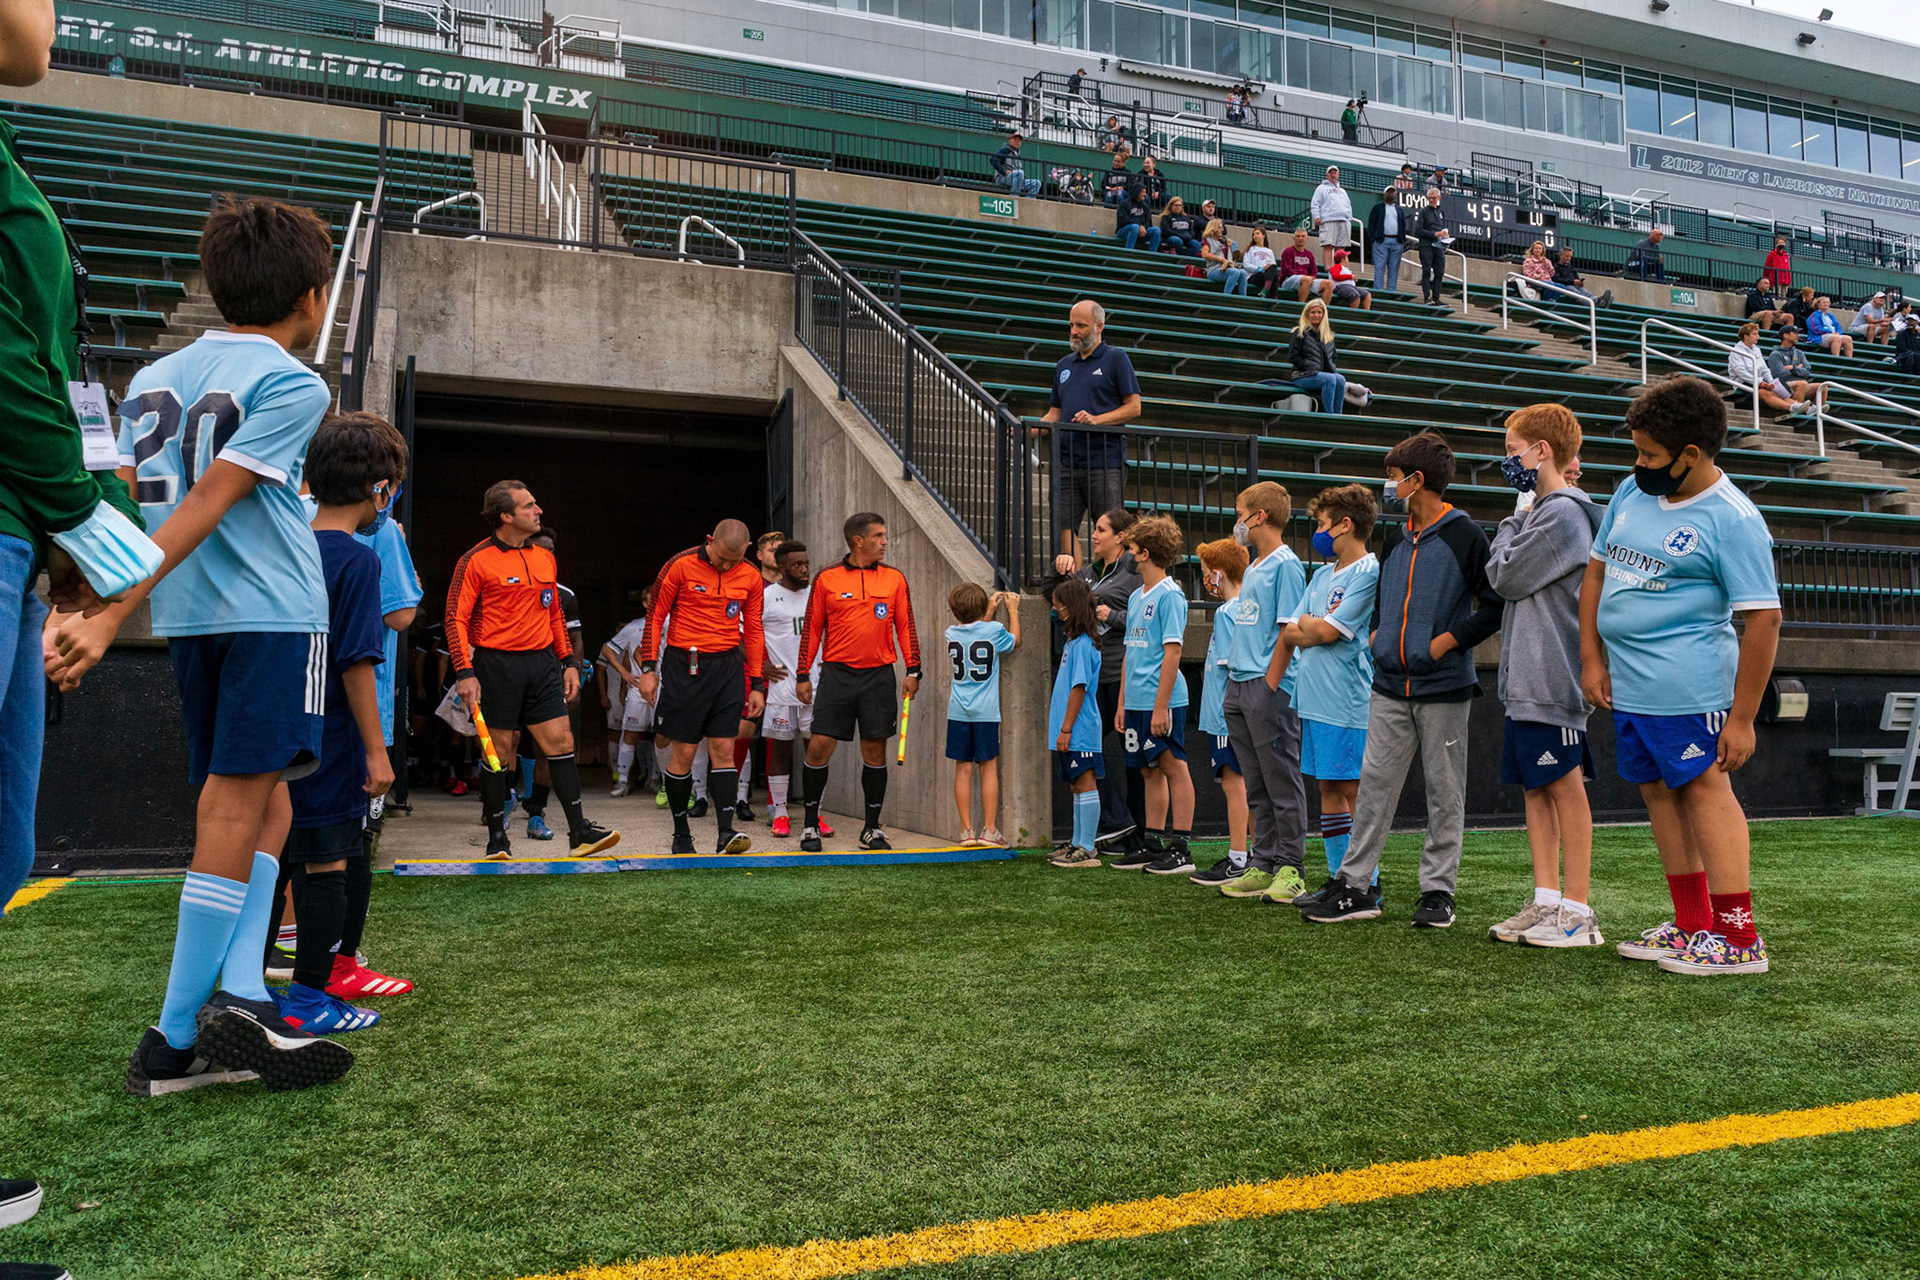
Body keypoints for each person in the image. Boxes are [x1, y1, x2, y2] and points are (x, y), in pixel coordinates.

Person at [49, 196, 355, 1095]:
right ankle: (176, 1039)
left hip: (194, 619)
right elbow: (211, 500)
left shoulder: (153, 376)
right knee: (233, 808)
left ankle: (241, 990)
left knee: (267, 799)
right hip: (273, 614)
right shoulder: (296, 383)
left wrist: (87, 595)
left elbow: (125, 499)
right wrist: (108, 616)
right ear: (311, 295)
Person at [1580, 376, 1782, 975]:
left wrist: (1742, 719)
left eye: (1649, 455)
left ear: (1690, 454)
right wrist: (1592, 657)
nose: (1637, 464)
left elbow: (1764, 619)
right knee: (1658, 793)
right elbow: (1596, 573)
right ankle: (1694, 926)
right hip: (1631, 685)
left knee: (1702, 790)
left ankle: (1739, 938)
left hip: (1691, 688)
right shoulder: (1631, 491)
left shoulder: (1734, 519)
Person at [1302, 433, 1504, 929]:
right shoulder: (1396, 538)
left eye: (1393, 476)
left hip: (1444, 687)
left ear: (1417, 480)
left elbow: (1494, 605)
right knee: (1373, 787)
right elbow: (1382, 602)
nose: (1388, 486)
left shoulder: (1465, 535)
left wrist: (1444, 643)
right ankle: (1355, 886)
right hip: (1390, 684)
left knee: (1444, 791)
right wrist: (1377, 634)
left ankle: (1438, 893)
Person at [272, 413, 403, 1035]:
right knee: (328, 862)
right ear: (380, 489)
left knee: (274, 860)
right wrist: (377, 751)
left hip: (272, 731)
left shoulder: (281, 546)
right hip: (329, 737)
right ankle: (307, 1001)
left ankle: (252, 986)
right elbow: (356, 660)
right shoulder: (357, 560)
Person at [1485, 405, 1605, 948]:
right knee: (1536, 788)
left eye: (1514, 451)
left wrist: (1515, 517)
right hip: (1529, 679)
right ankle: (1547, 899)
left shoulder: (1560, 515)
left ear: (1543, 451)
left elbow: (1504, 574)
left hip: (1552, 675)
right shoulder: (1544, 512)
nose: (1509, 461)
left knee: (1564, 786)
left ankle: (1577, 911)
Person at [446, 483, 617, 862]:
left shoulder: (544, 558)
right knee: (499, 751)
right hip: (496, 665)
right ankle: (497, 839)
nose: (538, 510)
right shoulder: (474, 560)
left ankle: (579, 833)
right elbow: (455, 618)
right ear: (506, 516)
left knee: (561, 741)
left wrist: (568, 662)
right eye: (529, 506)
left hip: (541, 665)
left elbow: (554, 613)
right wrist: (464, 671)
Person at [794, 512, 922, 852]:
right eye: (878, 536)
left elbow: (905, 626)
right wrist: (803, 674)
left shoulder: (894, 578)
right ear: (858, 541)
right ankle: (809, 826)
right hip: (836, 675)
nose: (885, 542)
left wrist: (913, 670)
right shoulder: (827, 578)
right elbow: (812, 629)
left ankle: (871, 828)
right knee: (819, 746)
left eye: (884, 536)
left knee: (875, 750)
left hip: (878, 677)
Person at [638, 520, 765, 856]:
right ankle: (681, 834)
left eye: (733, 561)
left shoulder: (751, 576)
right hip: (685, 665)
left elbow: (754, 629)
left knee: (724, 747)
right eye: (721, 558)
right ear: (709, 540)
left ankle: (726, 833)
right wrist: (648, 668)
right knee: (684, 751)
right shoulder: (679, 565)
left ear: (747, 551)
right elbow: (655, 617)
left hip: (727, 667)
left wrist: (756, 683)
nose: (726, 566)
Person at [1281, 485, 1380, 904]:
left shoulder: (1368, 572)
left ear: (1345, 525)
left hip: (1346, 700)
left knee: (1352, 790)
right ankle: (1341, 876)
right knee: (1327, 787)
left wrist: (1312, 623)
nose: (1318, 532)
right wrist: (1314, 625)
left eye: (1322, 524)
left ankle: (1366, 882)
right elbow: (1290, 632)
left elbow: (1322, 631)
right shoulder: (1322, 575)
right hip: (1314, 699)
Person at [1216, 482, 1310, 904]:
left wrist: (1270, 685)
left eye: (1241, 514)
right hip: (1239, 685)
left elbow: (1288, 631)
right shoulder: (1255, 565)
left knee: (1281, 779)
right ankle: (1264, 861)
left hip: (1266, 687)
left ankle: (1291, 866)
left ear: (1261, 516)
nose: (1237, 523)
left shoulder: (1286, 565)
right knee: (1256, 782)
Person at [1107, 514, 1195, 874]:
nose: (1128, 554)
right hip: (1137, 700)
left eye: (1130, 548)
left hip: (1163, 700)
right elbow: (1131, 652)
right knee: (1147, 770)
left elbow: (1173, 652)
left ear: (1144, 553)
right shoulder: (1135, 596)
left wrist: (1161, 707)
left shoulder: (1170, 595)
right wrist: (1122, 702)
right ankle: (1152, 842)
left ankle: (1181, 848)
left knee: (1173, 765)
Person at [1041, 300, 1141, 568]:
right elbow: (1054, 413)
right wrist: (1027, 430)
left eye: (1081, 326)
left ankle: (1102, 584)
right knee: (1064, 527)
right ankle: (1073, 582)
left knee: (1107, 532)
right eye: (1071, 325)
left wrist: (1097, 420)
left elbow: (1134, 407)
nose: (1074, 331)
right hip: (1067, 461)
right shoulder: (1064, 365)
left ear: (1099, 326)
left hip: (1105, 461)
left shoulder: (1116, 358)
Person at [1070, 508, 1145, 853]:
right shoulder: (1087, 573)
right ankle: (1114, 824)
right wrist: (1059, 571)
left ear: (1120, 537)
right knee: (1083, 746)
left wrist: (1110, 614)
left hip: (1121, 674)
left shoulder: (1134, 574)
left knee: (1134, 758)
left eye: (1101, 530)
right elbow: (1060, 603)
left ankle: (1139, 837)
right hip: (1092, 675)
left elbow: (1144, 620)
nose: (1094, 535)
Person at [513, 527, 582, 841]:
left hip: (548, 678)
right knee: (507, 743)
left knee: (548, 747)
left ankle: (536, 812)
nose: (547, 555)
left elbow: (575, 639)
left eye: (552, 550)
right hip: (510, 676)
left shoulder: (564, 595)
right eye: (542, 549)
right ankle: (500, 803)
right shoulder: (507, 584)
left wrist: (574, 671)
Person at [1189, 538, 1250, 886]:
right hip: (1229, 715)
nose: (1205, 581)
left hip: (1226, 717)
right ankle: (1253, 856)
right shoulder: (1239, 609)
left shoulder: (1229, 612)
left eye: (1205, 573)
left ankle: (1238, 856)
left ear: (1219, 573)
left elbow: (1231, 667)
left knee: (1233, 782)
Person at [760, 540, 830, 840]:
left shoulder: (817, 594)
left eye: (806, 563)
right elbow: (742, 633)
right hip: (781, 688)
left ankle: (816, 814)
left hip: (816, 686)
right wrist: (759, 665)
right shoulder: (766, 596)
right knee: (781, 750)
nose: (804, 569)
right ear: (781, 566)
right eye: (797, 565)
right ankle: (780, 813)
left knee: (817, 751)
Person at [944, 583, 1020, 847]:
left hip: (958, 711)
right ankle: (989, 829)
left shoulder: (951, 633)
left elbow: (974, 632)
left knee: (962, 768)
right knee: (988, 767)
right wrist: (1013, 610)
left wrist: (986, 612)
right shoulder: (994, 630)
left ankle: (966, 829)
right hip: (986, 712)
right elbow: (1014, 641)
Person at [1045, 579, 1105, 868]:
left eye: (1058, 606)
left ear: (1072, 607)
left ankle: (1087, 847)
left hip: (1080, 730)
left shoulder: (1083, 645)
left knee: (1085, 782)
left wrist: (1067, 728)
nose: (1056, 611)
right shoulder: (1073, 643)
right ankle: (1078, 842)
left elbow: (1079, 687)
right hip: (1072, 730)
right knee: (1075, 785)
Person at [600, 608, 653, 797]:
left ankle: (657, 779)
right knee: (629, 734)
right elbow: (617, 653)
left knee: (662, 737)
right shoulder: (634, 627)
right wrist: (625, 676)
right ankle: (622, 779)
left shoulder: (675, 622)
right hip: (637, 690)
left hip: (664, 689)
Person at [1731, 323, 1816, 418]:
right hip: (1743, 383)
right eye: (1755, 334)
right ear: (1746, 336)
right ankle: (1792, 407)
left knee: (1778, 390)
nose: (1758, 336)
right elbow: (1741, 372)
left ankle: (1806, 408)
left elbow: (1764, 369)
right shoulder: (1736, 351)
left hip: (1759, 381)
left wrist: (1771, 382)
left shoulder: (1756, 350)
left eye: (1757, 334)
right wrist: (1759, 382)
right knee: (1765, 393)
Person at [1287, 297, 1346, 414]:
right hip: (1303, 375)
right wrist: (1308, 365)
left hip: (1321, 375)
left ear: (1324, 315)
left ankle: (1338, 415)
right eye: (1313, 312)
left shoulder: (1328, 336)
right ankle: (1329, 415)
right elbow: (1293, 356)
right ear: (1307, 314)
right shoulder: (1300, 333)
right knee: (1330, 379)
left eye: (1319, 312)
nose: (1316, 315)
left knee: (1340, 379)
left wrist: (1332, 367)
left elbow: (1334, 357)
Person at [1767, 327, 1828, 409]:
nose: (1797, 335)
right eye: (1794, 333)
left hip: (1802, 383)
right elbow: (1779, 374)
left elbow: (1807, 371)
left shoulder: (1799, 353)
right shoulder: (1775, 354)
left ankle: (1817, 412)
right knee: (1802, 384)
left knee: (1823, 387)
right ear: (1786, 335)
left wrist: (1792, 368)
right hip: (1784, 385)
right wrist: (1797, 370)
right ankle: (1797, 410)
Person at [1367, 185, 1411, 295]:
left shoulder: (1399, 210)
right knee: (1379, 267)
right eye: (1388, 192)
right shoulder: (1377, 208)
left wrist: (1401, 240)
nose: (1390, 194)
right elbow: (1371, 224)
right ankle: (1378, 291)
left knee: (1394, 268)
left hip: (1396, 242)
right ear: (1384, 194)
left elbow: (1403, 225)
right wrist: (1374, 239)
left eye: (1392, 192)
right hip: (1381, 241)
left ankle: (1391, 291)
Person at [1310, 166, 1352, 269]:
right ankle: (1328, 269)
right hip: (1328, 220)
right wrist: (1316, 217)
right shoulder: (1321, 188)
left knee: (1341, 248)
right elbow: (1315, 204)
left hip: (1344, 220)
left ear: (1338, 175)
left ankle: (1339, 269)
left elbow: (1348, 205)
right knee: (1328, 245)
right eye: (1331, 173)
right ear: (1327, 175)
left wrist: (1349, 218)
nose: (1333, 175)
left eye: (1335, 173)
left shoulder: (1342, 191)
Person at [1414, 186, 1450, 306]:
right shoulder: (1423, 212)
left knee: (1439, 272)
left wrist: (1444, 235)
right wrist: (1435, 234)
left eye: (1433, 198)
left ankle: (1436, 297)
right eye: (1429, 198)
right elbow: (1418, 231)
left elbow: (1441, 228)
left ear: (1438, 198)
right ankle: (1427, 297)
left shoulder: (1440, 212)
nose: (1431, 200)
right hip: (1426, 245)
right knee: (1426, 270)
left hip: (1438, 245)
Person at [1277, 226, 1328, 304]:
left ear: (1306, 239)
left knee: (1328, 284)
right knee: (1306, 280)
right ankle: (1301, 306)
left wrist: (1311, 278)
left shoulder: (1309, 254)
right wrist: (1303, 277)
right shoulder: (1288, 251)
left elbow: (1314, 271)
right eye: (1298, 236)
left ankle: (1324, 309)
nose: (1300, 238)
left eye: (1303, 236)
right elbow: (1287, 269)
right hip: (1289, 280)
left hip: (1307, 281)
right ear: (1294, 238)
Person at [1199, 219, 1247, 295]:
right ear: (1213, 228)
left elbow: (1229, 257)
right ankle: (1226, 296)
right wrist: (1221, 259)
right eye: (1219, 228)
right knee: (1235, 272)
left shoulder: (1224, 240)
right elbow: (1204, 254)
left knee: (1243, 273)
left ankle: (1243, 298)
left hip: (1226, 268)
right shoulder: (1207, 240)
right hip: (1213, 269)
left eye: (1222, 228)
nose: (1222, 230)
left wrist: (1230, 248)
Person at [990, 131, 1041, 198]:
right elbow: (993, 160)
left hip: (1017, 179)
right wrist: (1004, 171)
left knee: (1037, 183)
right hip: (1003, 178)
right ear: (1010, 140)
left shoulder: (1018, 155)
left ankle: (1027, 201)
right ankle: (1014, 197)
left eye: (1019, 140)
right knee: (1020, 172)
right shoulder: (1005, 150)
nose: (1017, 141)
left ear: (1021, 143)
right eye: (1015, 139)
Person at [1241, 227, 1280, 298]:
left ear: (1264, 235)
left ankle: (1266, 291)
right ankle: (1273, 297)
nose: (1255, 236)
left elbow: (1272, 264)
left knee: (1273, 268)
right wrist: (1260, 269)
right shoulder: (1250, 249)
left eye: (1257, 233)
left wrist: (1267, 268)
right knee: (1274, 277)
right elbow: (1246, 265)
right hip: (1253, 276)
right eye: (1253, 234)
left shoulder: (1269, 251)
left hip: (1266, 275)